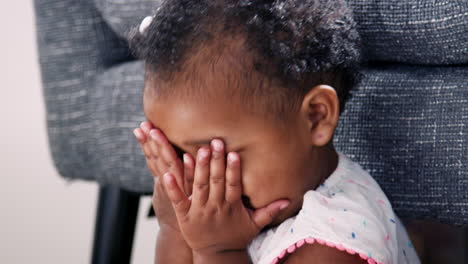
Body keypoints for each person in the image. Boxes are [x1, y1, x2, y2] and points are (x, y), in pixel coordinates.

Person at [131, 0, 420, 263]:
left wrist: (218, 252)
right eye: (178, 154)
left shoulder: (333, 242)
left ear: (316, 117)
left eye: (218, 154)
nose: (200, 181)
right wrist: (176, 229)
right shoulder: (247, 211)